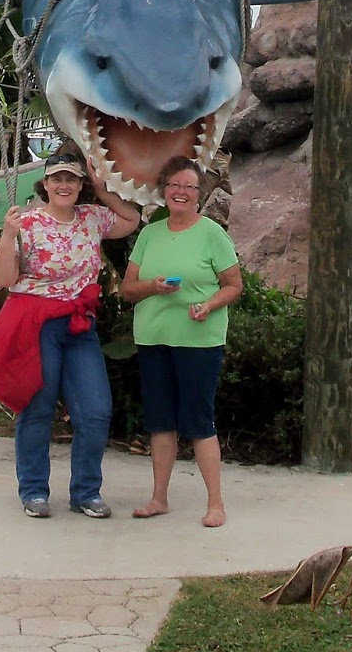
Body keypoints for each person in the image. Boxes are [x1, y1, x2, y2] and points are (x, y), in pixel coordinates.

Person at [0, 152, 139, 519]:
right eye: (57, 179)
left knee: (96, 410)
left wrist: (103, 189)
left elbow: (131, 220)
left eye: (71, 179)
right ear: (46, 184)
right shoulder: (27, 222)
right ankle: (34, 490)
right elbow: (3, 278)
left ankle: (86, 491)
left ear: (80, 185)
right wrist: (8, 235)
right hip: (38, 325)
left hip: (79, 325)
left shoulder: (92, 218)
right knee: (38, 407)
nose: (64, 185)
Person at [121, 155, 242, 528]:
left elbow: (234, 286)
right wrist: (153, 286)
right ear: (164, 190)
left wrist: (209, 305)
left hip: (199, 342)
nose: (181, 192)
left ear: (199, 193)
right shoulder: (150, 234)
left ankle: (216, 504)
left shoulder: (212, 234)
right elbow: (128, 289)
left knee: (199, 421)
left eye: (189, 187)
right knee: (160, 421)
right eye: (175, 185)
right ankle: (158, 498)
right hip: (153, 339)